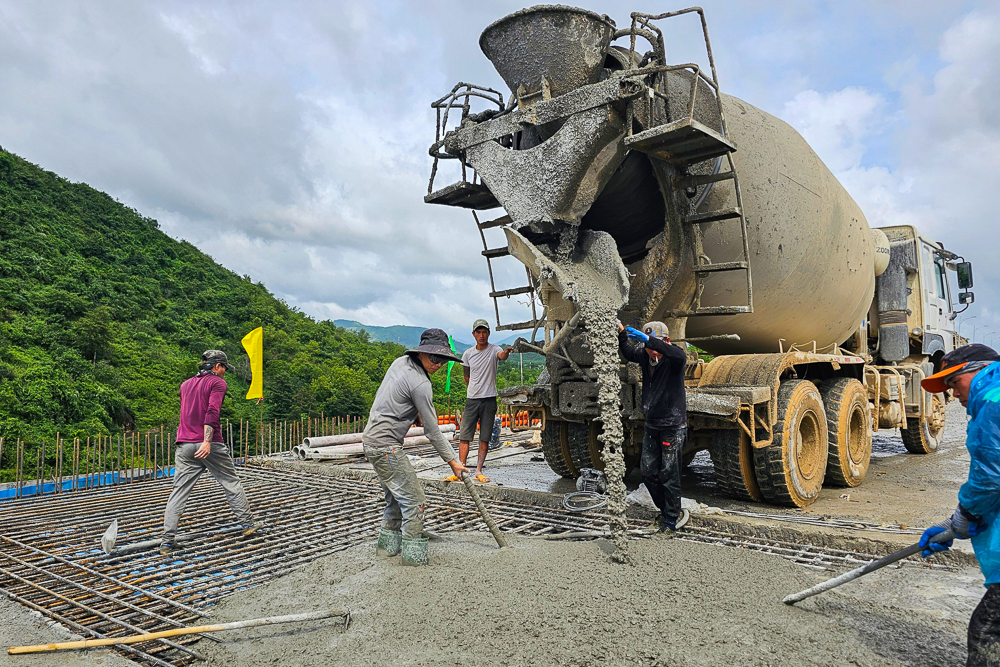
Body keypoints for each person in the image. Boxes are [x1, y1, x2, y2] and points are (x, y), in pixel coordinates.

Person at [918, 344, 1000, 666]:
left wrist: (963, 516)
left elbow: (991, 478)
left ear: (977, 370)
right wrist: (958, 522)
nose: (952, 394)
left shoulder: (993, 403)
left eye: (953, 382)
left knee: (988, 631)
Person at [363, 328, 469, 565]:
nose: (438, 364)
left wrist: (411, 414)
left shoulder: (400, 363)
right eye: (434, 358)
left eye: (442, 359)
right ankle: (413, 560)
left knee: (395, 500)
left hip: (371, 441)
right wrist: (454, 462)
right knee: (414, 501)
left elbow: (392, 397)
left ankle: (387, 549)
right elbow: (433, 432)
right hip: (386, 447)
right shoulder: (421, 384)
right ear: (421, 353)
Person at [160, 350, 260, 554]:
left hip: (184, 444)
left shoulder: (185, 385)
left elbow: (189, 412)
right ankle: (248, 525)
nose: (225, 372)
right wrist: (206, 442)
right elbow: (212, 411)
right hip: (209, 442)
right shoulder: (217, 383)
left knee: (178, 491)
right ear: (217, 366)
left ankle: (167, 541)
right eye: (224, 368)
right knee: (231, 482)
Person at [618, 320, 688, 535]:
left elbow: (678, 355)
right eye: (648, 347)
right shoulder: (646, 357)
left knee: (669, 473)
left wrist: (650, 340)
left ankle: (671, 519)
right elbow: (629, 352)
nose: (651, 351)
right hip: (652, 424)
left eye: (654, 345)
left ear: (665, 341)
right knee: (648, 472)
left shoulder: (673, 357)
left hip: (672, 425)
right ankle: (664, 510)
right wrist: (622, 333)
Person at [445, 318, 511, 484]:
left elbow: (501, 356)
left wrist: (507, 352)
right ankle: (460, 470)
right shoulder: (468, 354)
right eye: (478, 332)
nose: (482, 335)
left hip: (489, 399)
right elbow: (466, 376)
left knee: (485, 437)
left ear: (488, 334)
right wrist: (475, 389)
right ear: (473, 334)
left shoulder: (495, 349)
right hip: (472, 399)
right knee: (465, 436)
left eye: (484, 332)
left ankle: (479, 471)